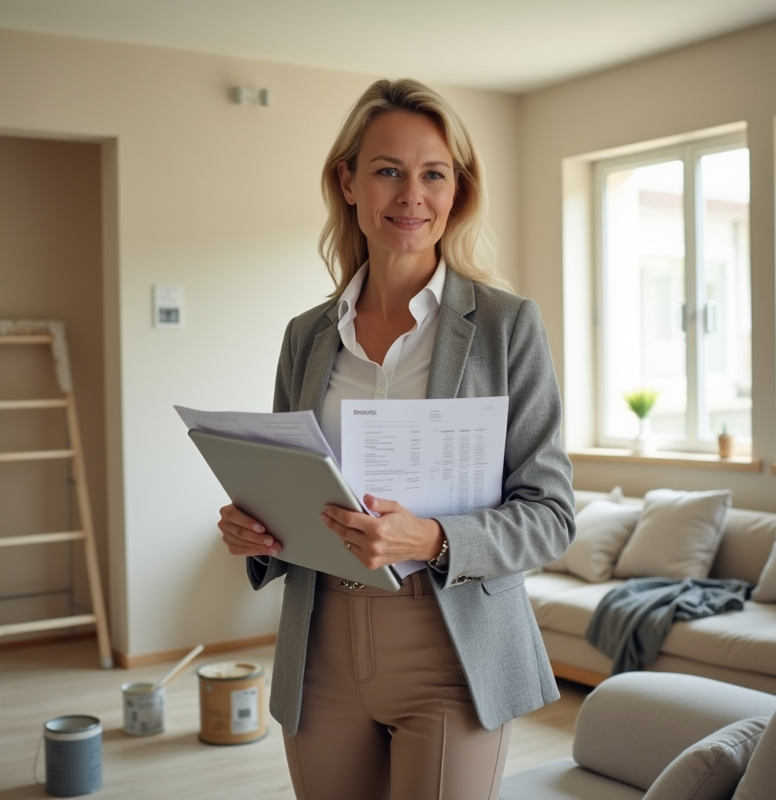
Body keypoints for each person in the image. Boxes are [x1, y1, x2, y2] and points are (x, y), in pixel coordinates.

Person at [217, 78, 574, 800]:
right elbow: (292, 483)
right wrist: (255, 530)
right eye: (388, 171)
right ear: (348, 182)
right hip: (320, 646)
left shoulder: (507, 326)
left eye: (433, 174)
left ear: (457, 190)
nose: (412, 195)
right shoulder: (306, 337)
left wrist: (433, 538)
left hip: (454, 650)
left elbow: (551, 515)